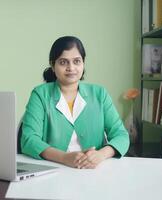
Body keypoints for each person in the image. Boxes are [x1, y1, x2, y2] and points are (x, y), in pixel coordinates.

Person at [21, 36, 129, 169]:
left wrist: (101, 154)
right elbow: (29, 140)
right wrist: (64, 157)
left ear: (83, 63)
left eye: (77, 61)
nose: (71, 68)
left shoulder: (100, 94)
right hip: (53, 168)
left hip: (93, 170)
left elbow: (121, 135)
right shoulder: (40, 94)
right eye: (63, 62)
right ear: (53, 65)